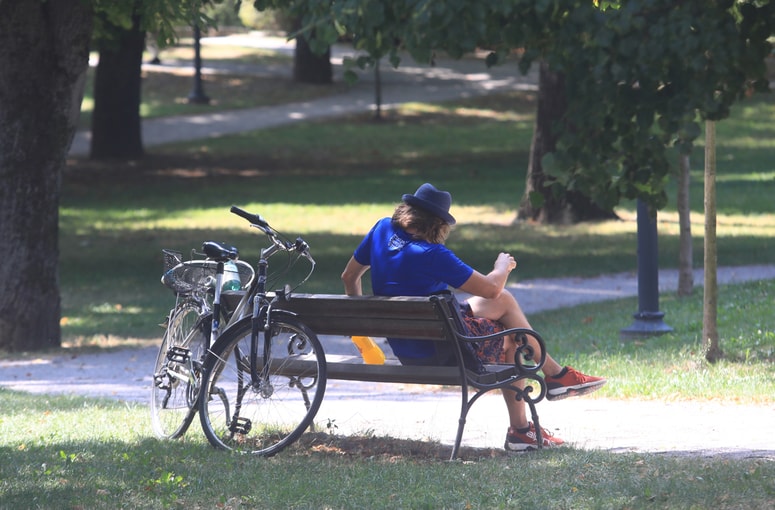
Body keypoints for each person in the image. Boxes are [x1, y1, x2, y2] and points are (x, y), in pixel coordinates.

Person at [341, 183, 606, 451]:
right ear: (438, 224)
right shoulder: (432, 255)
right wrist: (501, 266)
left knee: (505, 303)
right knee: (513, 339)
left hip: (409, 347)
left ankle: (555, 377)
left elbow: (349, 277)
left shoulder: (382, 229)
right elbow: (491, 288)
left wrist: (361, 330)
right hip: (443, 351)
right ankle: (527, 423)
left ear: (407, 210)